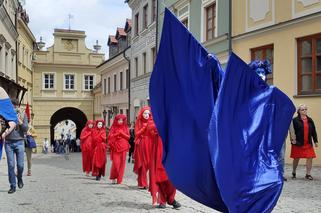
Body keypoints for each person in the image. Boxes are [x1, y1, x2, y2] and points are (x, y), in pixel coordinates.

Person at [135, 106, 181, 208]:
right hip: (158, 153)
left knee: (172, 178)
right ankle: (162, 200)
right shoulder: (152, 122)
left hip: (171, 151)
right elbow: (151, 129)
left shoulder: (172, 120)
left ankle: (171, 198)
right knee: (160, 177)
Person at [4, 98, 28, 194]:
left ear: (18, 106)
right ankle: (12, 185)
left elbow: (25, 129)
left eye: (15, 106)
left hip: (20, 142)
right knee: (11, 165)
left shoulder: (23, 114)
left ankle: (20, 177)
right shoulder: (5, 114)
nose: (14, 108)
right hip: (9, 142)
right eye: (12, 106)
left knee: (20, 165)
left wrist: (19, 121)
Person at [290, 104, 318, 180]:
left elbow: (313, 131)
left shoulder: (310, 120)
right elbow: (292, 131)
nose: (305, 111)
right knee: (296, 158)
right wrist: (293, 140)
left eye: (306, 109)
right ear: (299, 111)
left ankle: (308, 174)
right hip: (298, 143)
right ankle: (294, 171)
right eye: (302, 109)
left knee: (310, 157)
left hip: (308, 143)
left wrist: (315, 141)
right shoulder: (295, 120)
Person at [108, 114, 130, 184]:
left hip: (123, 147)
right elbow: (110, 137)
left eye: (122, 120)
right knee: (115, 164)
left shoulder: (126, 127)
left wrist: (122, 134)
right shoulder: (113, 127)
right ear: (116, 120)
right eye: (119, 120)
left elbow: (128, 137)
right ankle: (114, 177)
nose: (120, 121)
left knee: (122, 165)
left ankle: (119, 179)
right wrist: (117, 134)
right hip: (116, 147)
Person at [134, 107, 152, 189]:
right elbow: (137, 133)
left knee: (148, 164)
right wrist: (145, 127)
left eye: (148, 113)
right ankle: (144, 183)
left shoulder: (151, 122)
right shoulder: (139, 122)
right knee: (143, 164)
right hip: (142, 144)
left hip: (150, 144)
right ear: (141, 114)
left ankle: (141, 181)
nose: (147, 115)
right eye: (145, 113)